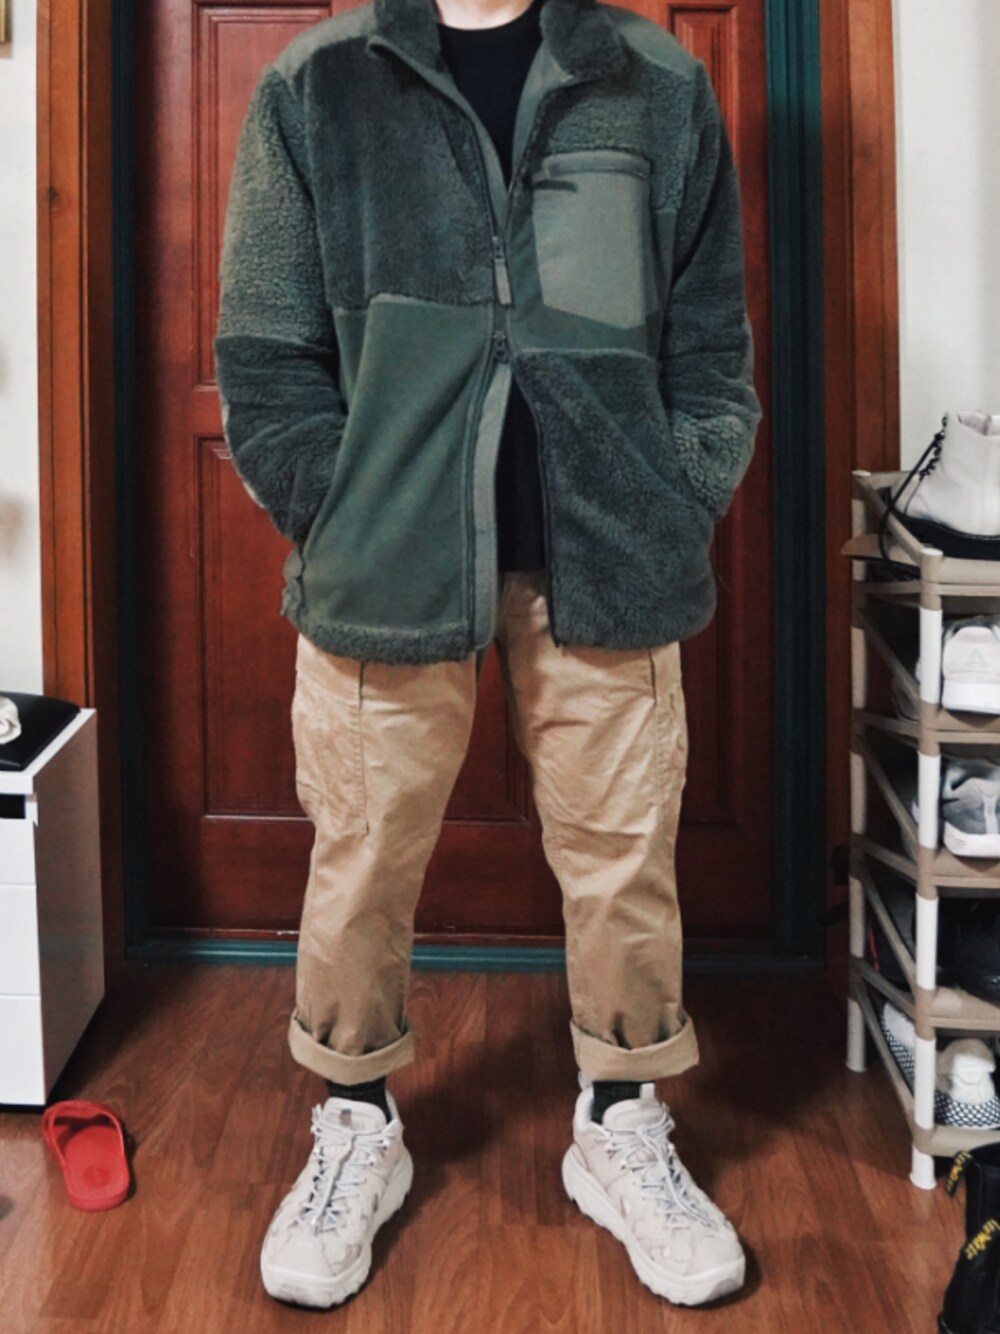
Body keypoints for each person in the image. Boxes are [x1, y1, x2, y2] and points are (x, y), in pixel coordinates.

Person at [215, 0, 762, 1311]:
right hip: (387, 562)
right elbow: (267, 358)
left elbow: (711, 348)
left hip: (609, 558)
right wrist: (339, 510)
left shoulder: (652, 82)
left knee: (626, 851)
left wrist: (677, 489)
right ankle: (356, 1122)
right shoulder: (318, 88)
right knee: (362, 851)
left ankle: (619, 1121)